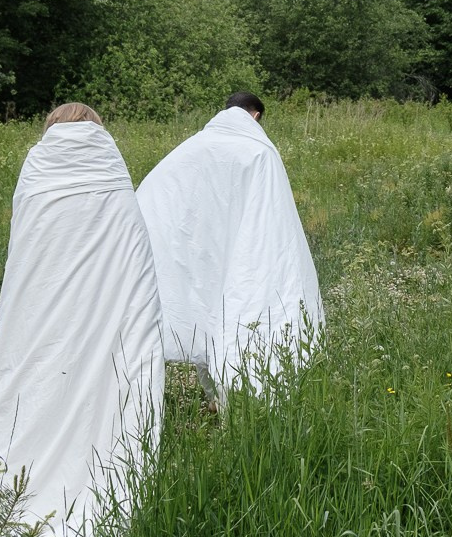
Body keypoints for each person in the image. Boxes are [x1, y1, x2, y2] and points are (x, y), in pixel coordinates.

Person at [0, 102, 164, 537]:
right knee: (107, 389)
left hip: (40, 314)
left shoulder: (37, 165)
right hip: (108, 312)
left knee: (36, 382)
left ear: (50, 127)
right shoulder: (111, 166)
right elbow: (133, 253)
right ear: (98, 127)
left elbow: (26, 247)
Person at [135, 92, 323, 401]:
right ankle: (239, 397)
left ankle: (213, 397)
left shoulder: (192, 147)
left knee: (207, 308)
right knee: (238, 308)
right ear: (255, 116)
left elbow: (161, 195)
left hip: (201, 249)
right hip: (242, 248)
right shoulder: (259, 153)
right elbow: (273, 221)